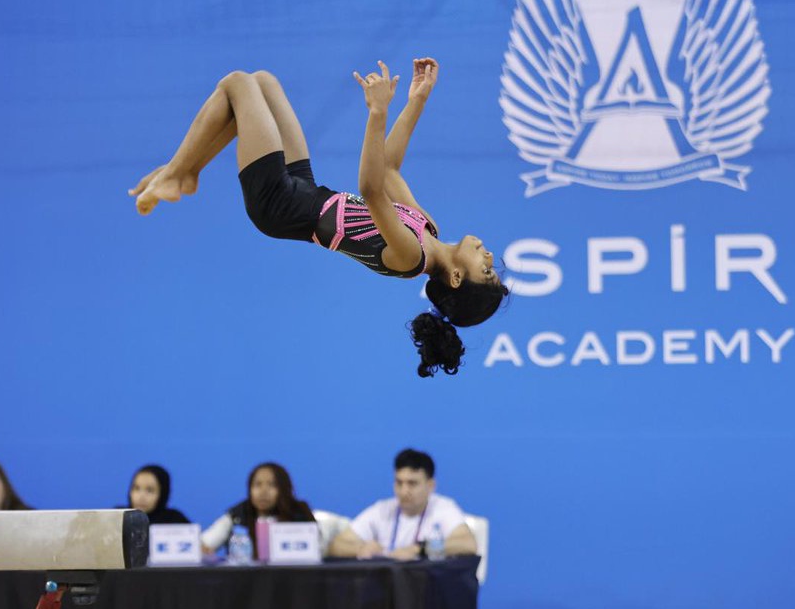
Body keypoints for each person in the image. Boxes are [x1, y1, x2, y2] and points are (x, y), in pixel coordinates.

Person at [128, 58, 509, 377]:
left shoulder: (412, 258)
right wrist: (417, 102)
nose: (489, 257)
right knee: (264, 82)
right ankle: (186, 171)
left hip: (280, 206)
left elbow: (373, 188)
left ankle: (180, 172)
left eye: (486, 271)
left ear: (457, 278)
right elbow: (390, 169)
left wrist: (377, 113)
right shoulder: (429, 229)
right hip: (305, 189)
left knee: (238, 84)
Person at [329, 448, 476, 560]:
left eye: (412, 483)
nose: (404, 491)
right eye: (399, 483)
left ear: (431, 485)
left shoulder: (443, 508)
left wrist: (419, 549)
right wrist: (361, 548)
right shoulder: (382, 509)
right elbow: (336, 546)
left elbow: (467, 544)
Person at [200, 462, 315, 557]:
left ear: (284, 489)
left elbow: (316, 549)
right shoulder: (237, 515)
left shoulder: (300, 513)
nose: (263, 491)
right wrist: (204, 551)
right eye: (257, 484)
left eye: (272, 485)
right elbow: (204, 544)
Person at [119, 464, 191, 525]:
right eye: (137, 488)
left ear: (163, 494)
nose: (141, 496)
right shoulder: (118, 517)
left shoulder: (175, 520)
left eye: (150, 490)